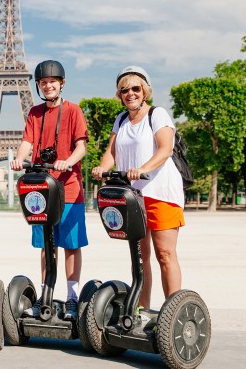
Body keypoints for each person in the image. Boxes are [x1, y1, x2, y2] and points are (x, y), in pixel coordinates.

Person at [91, 65, 185, 312]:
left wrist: (141, 168)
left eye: (135, 88)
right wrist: (102, 168)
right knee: (140, 257)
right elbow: (112, 152)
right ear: (119, 94)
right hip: (133, 195)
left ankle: (171, 311)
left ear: (145, 91)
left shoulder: (158, 114)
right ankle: (142, 310)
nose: (130, 93)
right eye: (124, 90)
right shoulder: (120, 119)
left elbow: (165, 149)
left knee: (165, 254)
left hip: (161, 192)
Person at [9, 60, 89, 320]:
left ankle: (72, 296)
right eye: (44, 82)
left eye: (53, 81)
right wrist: (19, 158)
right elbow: (26, 143)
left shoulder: (74, 110)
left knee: (71, 245)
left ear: (61, 83)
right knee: (47, 246)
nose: (48, 85)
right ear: (39, 86)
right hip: (41, 189)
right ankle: (46, 293)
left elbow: (81, 147)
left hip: (68, 188)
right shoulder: (34, 112)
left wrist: (69, 161)